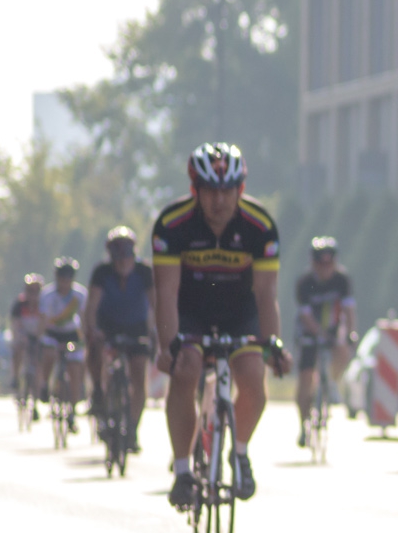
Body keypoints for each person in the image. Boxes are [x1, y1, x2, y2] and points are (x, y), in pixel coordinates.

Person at [152, 142, 288, 509]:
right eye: (211, 191)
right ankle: (182, 471)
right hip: (190, 308)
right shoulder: (172, 224)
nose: (219, 201)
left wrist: (272, 342)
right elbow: (165, 292)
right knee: (187, 369)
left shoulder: (260, 226)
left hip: (238, 308)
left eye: (227, 191)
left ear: (240, 190)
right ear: (196, 190)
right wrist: (167, 346)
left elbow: (265, 293)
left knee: (252, 376)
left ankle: (239, 452)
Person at [84, 226, 155, 452]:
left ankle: (132, 428)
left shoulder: (144, 272)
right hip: (108, 326)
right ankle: (97, 388)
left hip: (137, 327)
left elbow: (156, 305)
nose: (122, 265)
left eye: (126, 259)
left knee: (138, 377)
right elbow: (92, 307)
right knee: (95, 349)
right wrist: (93, 330)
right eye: (118, 260)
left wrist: (158, 334)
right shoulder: (102, 272)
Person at [294, 235, 356, 446]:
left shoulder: (342, 279)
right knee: (305, 380)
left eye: (330, 263)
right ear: (313, 263)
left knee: (343, 349)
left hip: (332, 328)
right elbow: (305, 315)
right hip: (309, 330)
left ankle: (331, 382)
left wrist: (350, 333)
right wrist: (319, 334)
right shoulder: (304, 283)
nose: (325, 268)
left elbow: (348, 310)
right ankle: (303, 425)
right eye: (321, 263)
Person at [37, 258, 88, 429]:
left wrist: (84, 340)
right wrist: (41, 338)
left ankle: (72, 411)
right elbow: (43, 319)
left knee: (74, 367)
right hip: (52, 333)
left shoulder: (80, 295)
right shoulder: (47, 294)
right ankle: (44, 384)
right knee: (49, 353)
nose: (65, 282)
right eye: (62, 278)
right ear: (57, 278)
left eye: (68, 278)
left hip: (71, 334)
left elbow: (83, 319)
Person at [10, 274, 45, 417]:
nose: (33, 295)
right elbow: (14, 324)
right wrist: (20, 336)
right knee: (18, 348)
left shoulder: (43, 305)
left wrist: (40, 336)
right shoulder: (19, 304)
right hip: (23, 335)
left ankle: (35, 403)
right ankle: (16, 377)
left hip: (38, 336)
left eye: (36, 291)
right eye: (30, 291)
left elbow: (46, 324)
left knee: (37, 366)